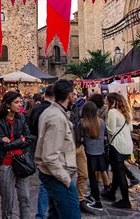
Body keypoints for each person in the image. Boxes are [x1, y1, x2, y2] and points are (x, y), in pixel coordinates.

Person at [35, 80, 80, 219]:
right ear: (68, 95)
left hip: (55, 174)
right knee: (72, 215)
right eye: (73, 94)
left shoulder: (53, 113)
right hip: (58, 175)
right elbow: (49, 156)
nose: (75, 97)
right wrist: (67, 180)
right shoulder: (56, 117)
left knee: (55, 214)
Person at [0, 91, 32, 219]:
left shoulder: (21, 118)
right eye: (16, 102)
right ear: (8, 105)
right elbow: (3, 145)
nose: (20, 104)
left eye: (20, 101)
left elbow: (28, 140)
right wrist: (19, 140)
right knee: (7, 202)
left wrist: (13, 142)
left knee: (25, 198)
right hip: (6, 164)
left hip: (22, 161)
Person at [101, 93, 134, 209]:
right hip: (127, 145)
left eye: (107, 100)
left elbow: (110, 130)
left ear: (112, 101)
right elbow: (130, 128)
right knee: (116, 170)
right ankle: (112, 193)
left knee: (119, 173)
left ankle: (126, 200)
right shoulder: (126, 112)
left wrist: (104, 122)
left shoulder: (112, 112)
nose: (106, 103)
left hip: (117, 145)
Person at [28, 85, 54, 219]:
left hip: (34, 139)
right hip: (46, 143)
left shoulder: (35, 108)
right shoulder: (52, 110)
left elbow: (29, 123)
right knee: (46, 182)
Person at [81, 101, 107, 211]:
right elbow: (105, 136)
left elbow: (81, 139)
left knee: (92, 178)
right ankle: (93, 195)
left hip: (89, 153)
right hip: (100, 152)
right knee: (95, 177)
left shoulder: (83, 123)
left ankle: (97, 201)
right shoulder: (101, 122)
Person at [69, 93, 89, 214]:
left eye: (76, 94)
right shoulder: (61, 111)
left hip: (79, 146)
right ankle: (71, 201)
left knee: (83, 174)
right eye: (73, 94)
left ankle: (80, 199)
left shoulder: (76, 108)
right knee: (69, 177)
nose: (75, 96)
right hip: (68, 148)